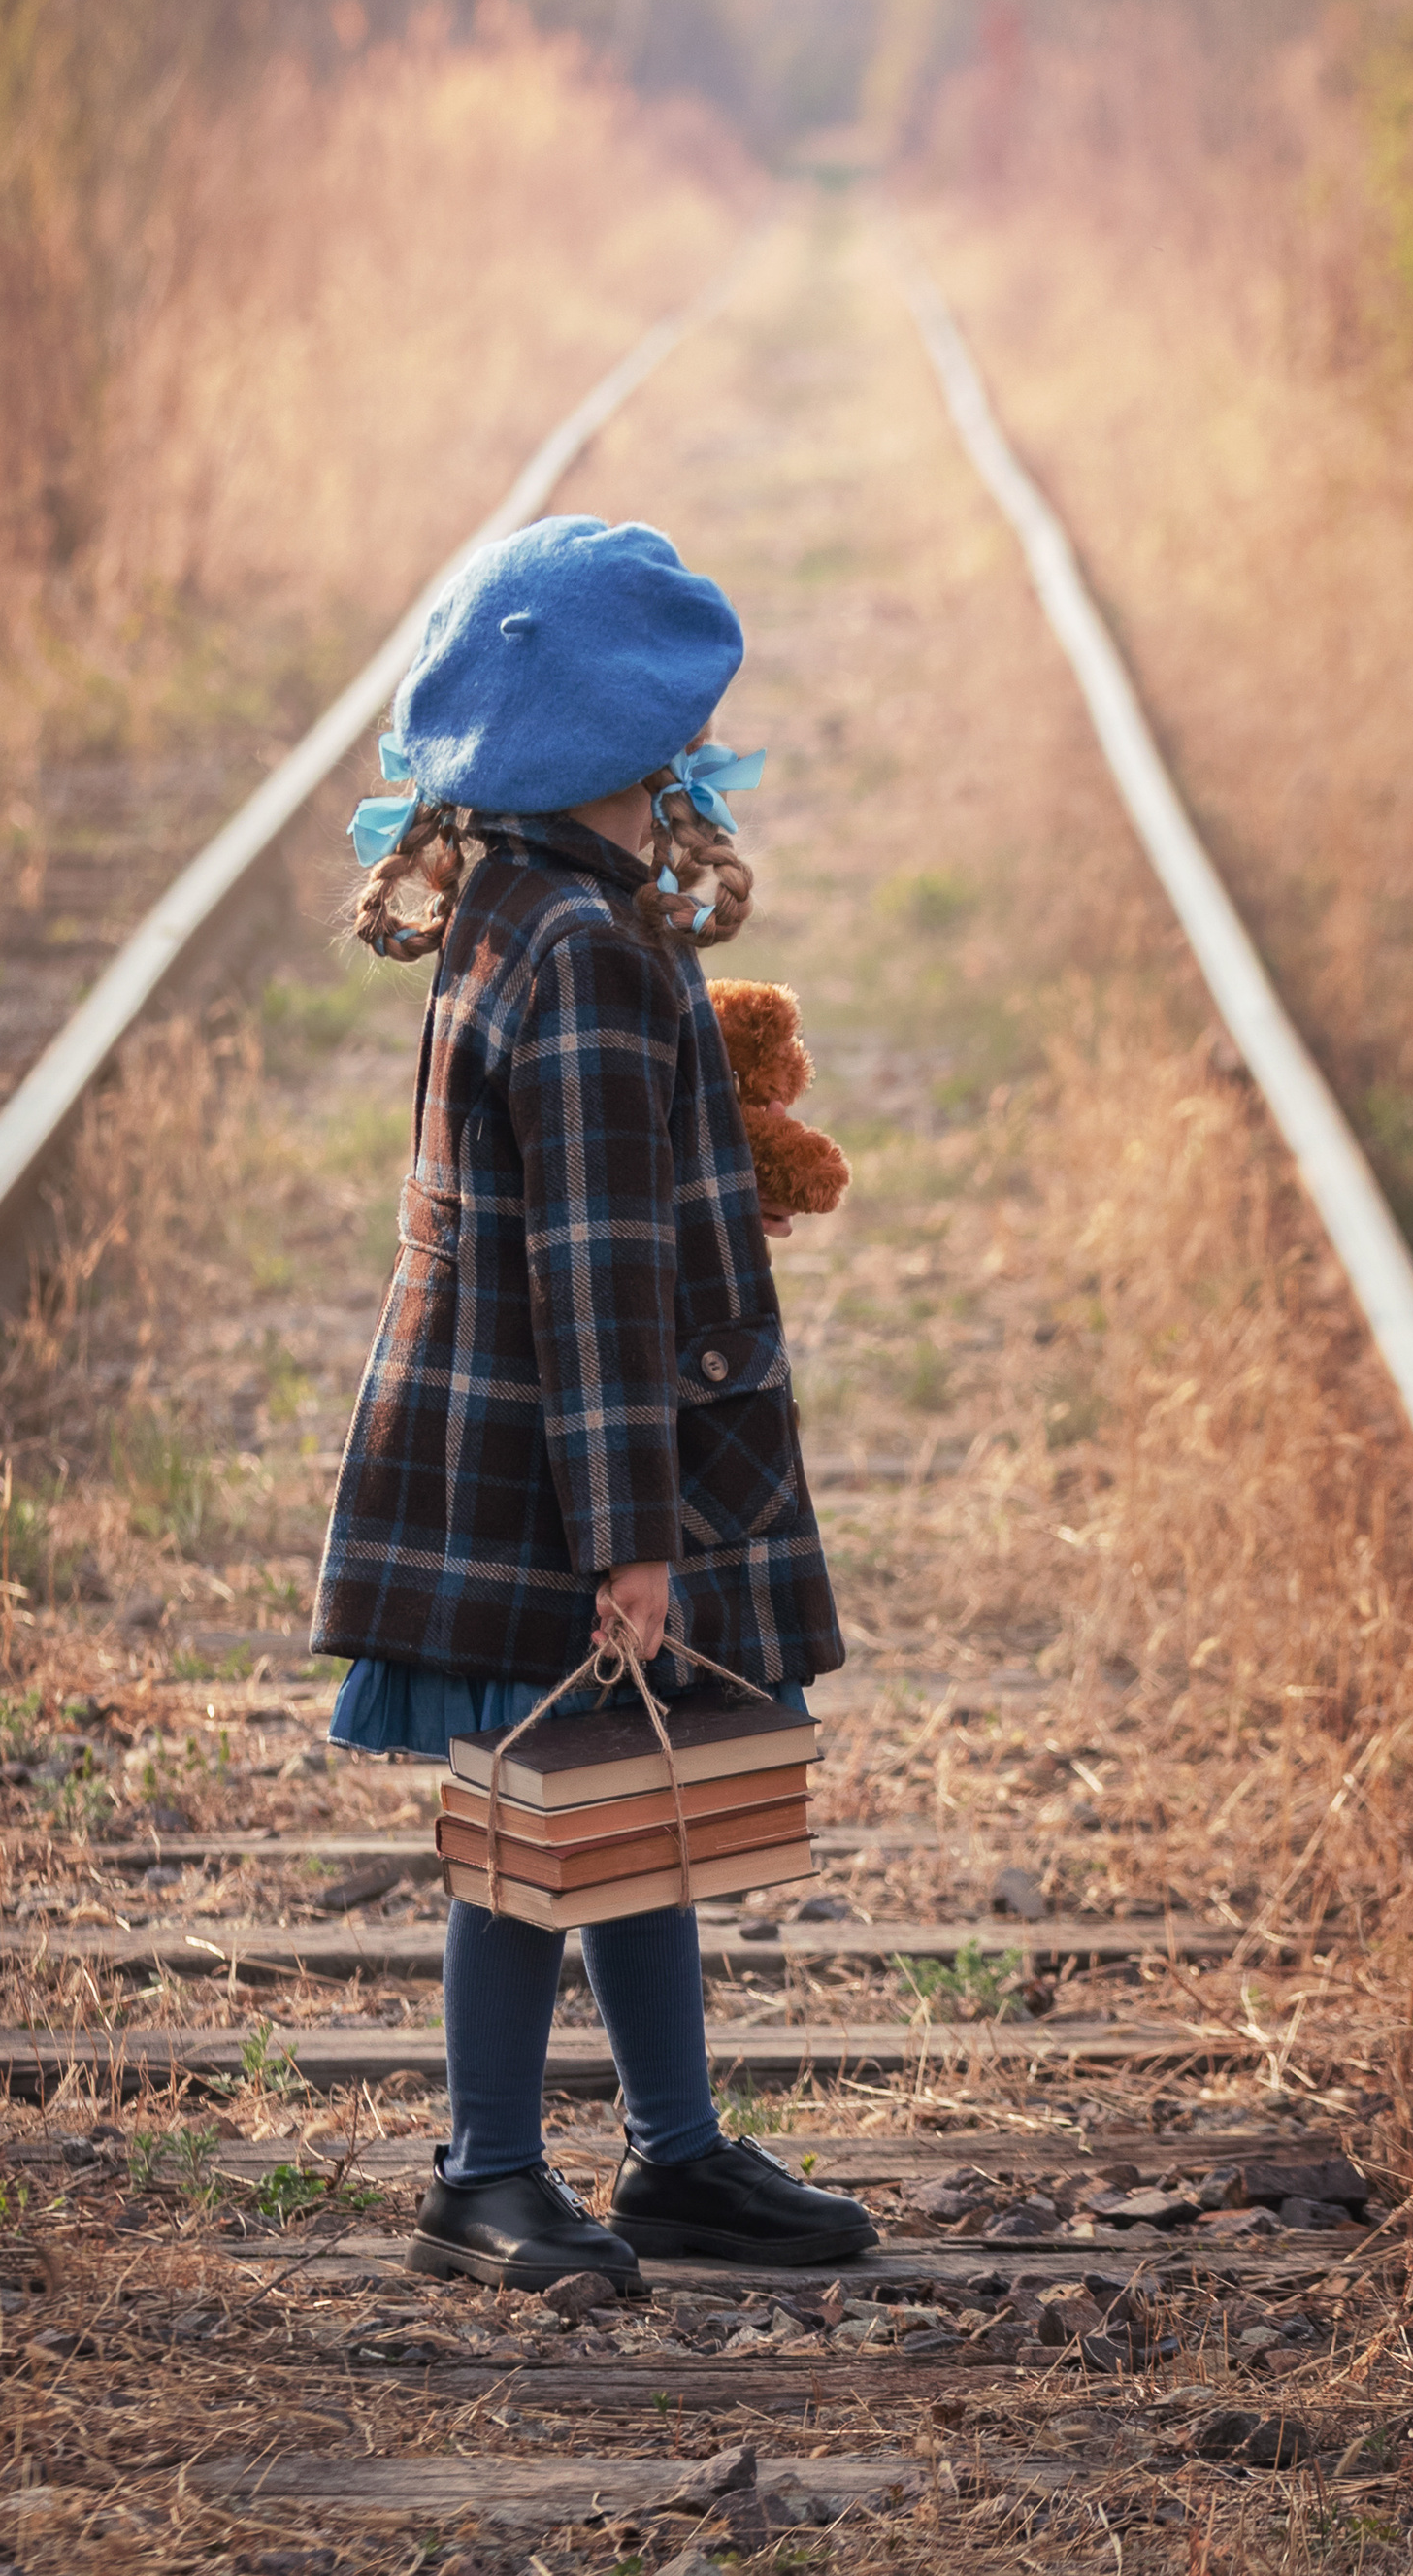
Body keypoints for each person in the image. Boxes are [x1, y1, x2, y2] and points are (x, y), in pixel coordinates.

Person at [312, 513, 875, 2291]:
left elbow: (581, 1185)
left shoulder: (520, 912)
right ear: (642, 746)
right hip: (566, 1474)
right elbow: (595, 1270)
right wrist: (637, 1544)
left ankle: (679, 2159)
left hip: (500, 1443)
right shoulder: (594, 952)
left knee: (626, 1806)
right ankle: (482, 2175)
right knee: (528, 1826)